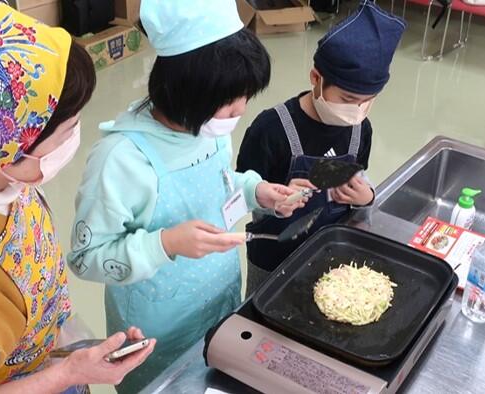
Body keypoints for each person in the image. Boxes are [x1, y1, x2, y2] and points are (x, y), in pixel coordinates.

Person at [68, 1, 300, 392]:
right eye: (230, 101)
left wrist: (255, 190)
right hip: (156, 326)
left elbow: (220, 182)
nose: (239, 111)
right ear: (188, 90)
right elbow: (85, 258)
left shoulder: (209, 127)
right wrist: (166, 243)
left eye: (245, 97)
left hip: (219, 297)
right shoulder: (122, 160)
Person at [0, 2, 155, 393]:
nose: (77, 134)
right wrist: (68, 374)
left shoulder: (9, 180)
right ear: (12, 146)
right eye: (69, 127)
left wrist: (73, 352)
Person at [237, 0, 407, 295]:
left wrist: (366, 197)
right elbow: (237, 196)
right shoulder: (271, 129)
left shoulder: (361, 129)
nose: (357, 110)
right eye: (347, 99)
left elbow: (360, 179)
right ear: (316, 79)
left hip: (332, 262)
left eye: (367, 101)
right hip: (273, 262)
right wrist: (272, 199)